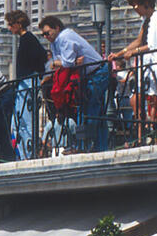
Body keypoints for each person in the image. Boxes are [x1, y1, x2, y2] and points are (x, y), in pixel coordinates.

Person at [110, 0, 157, 144]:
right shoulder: (147, 22)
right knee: (151, 102)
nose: (135, 9)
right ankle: (151, 137)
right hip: (152, 67)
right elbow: (140, 40)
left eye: (136, 5)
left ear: (145, 3)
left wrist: (134, 51)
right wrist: (120, 53)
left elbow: (153, 45)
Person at [39, 15, 109, 152]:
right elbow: (66, 62)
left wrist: (58, 63)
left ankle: (86, 146)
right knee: (93, 111)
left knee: (90, 110)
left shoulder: (64, 37)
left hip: (97, 73)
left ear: (57, 28)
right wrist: (64, 63)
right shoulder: (55, 42)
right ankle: (98, 146)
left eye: (47, 33)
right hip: (91, 74)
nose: (46, 36)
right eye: (43, 35)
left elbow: (66, 63)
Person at [6, 10, 48, 160]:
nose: (9, 28)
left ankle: (29, 152)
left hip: (28, 81)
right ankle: (24, 152)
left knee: (25, 118)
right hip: (25, 82)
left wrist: (36, 73)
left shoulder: (28, 39)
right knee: (18, 120)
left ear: (19, 24)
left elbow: (41, 57)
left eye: (11, 24)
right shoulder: (25, 39)